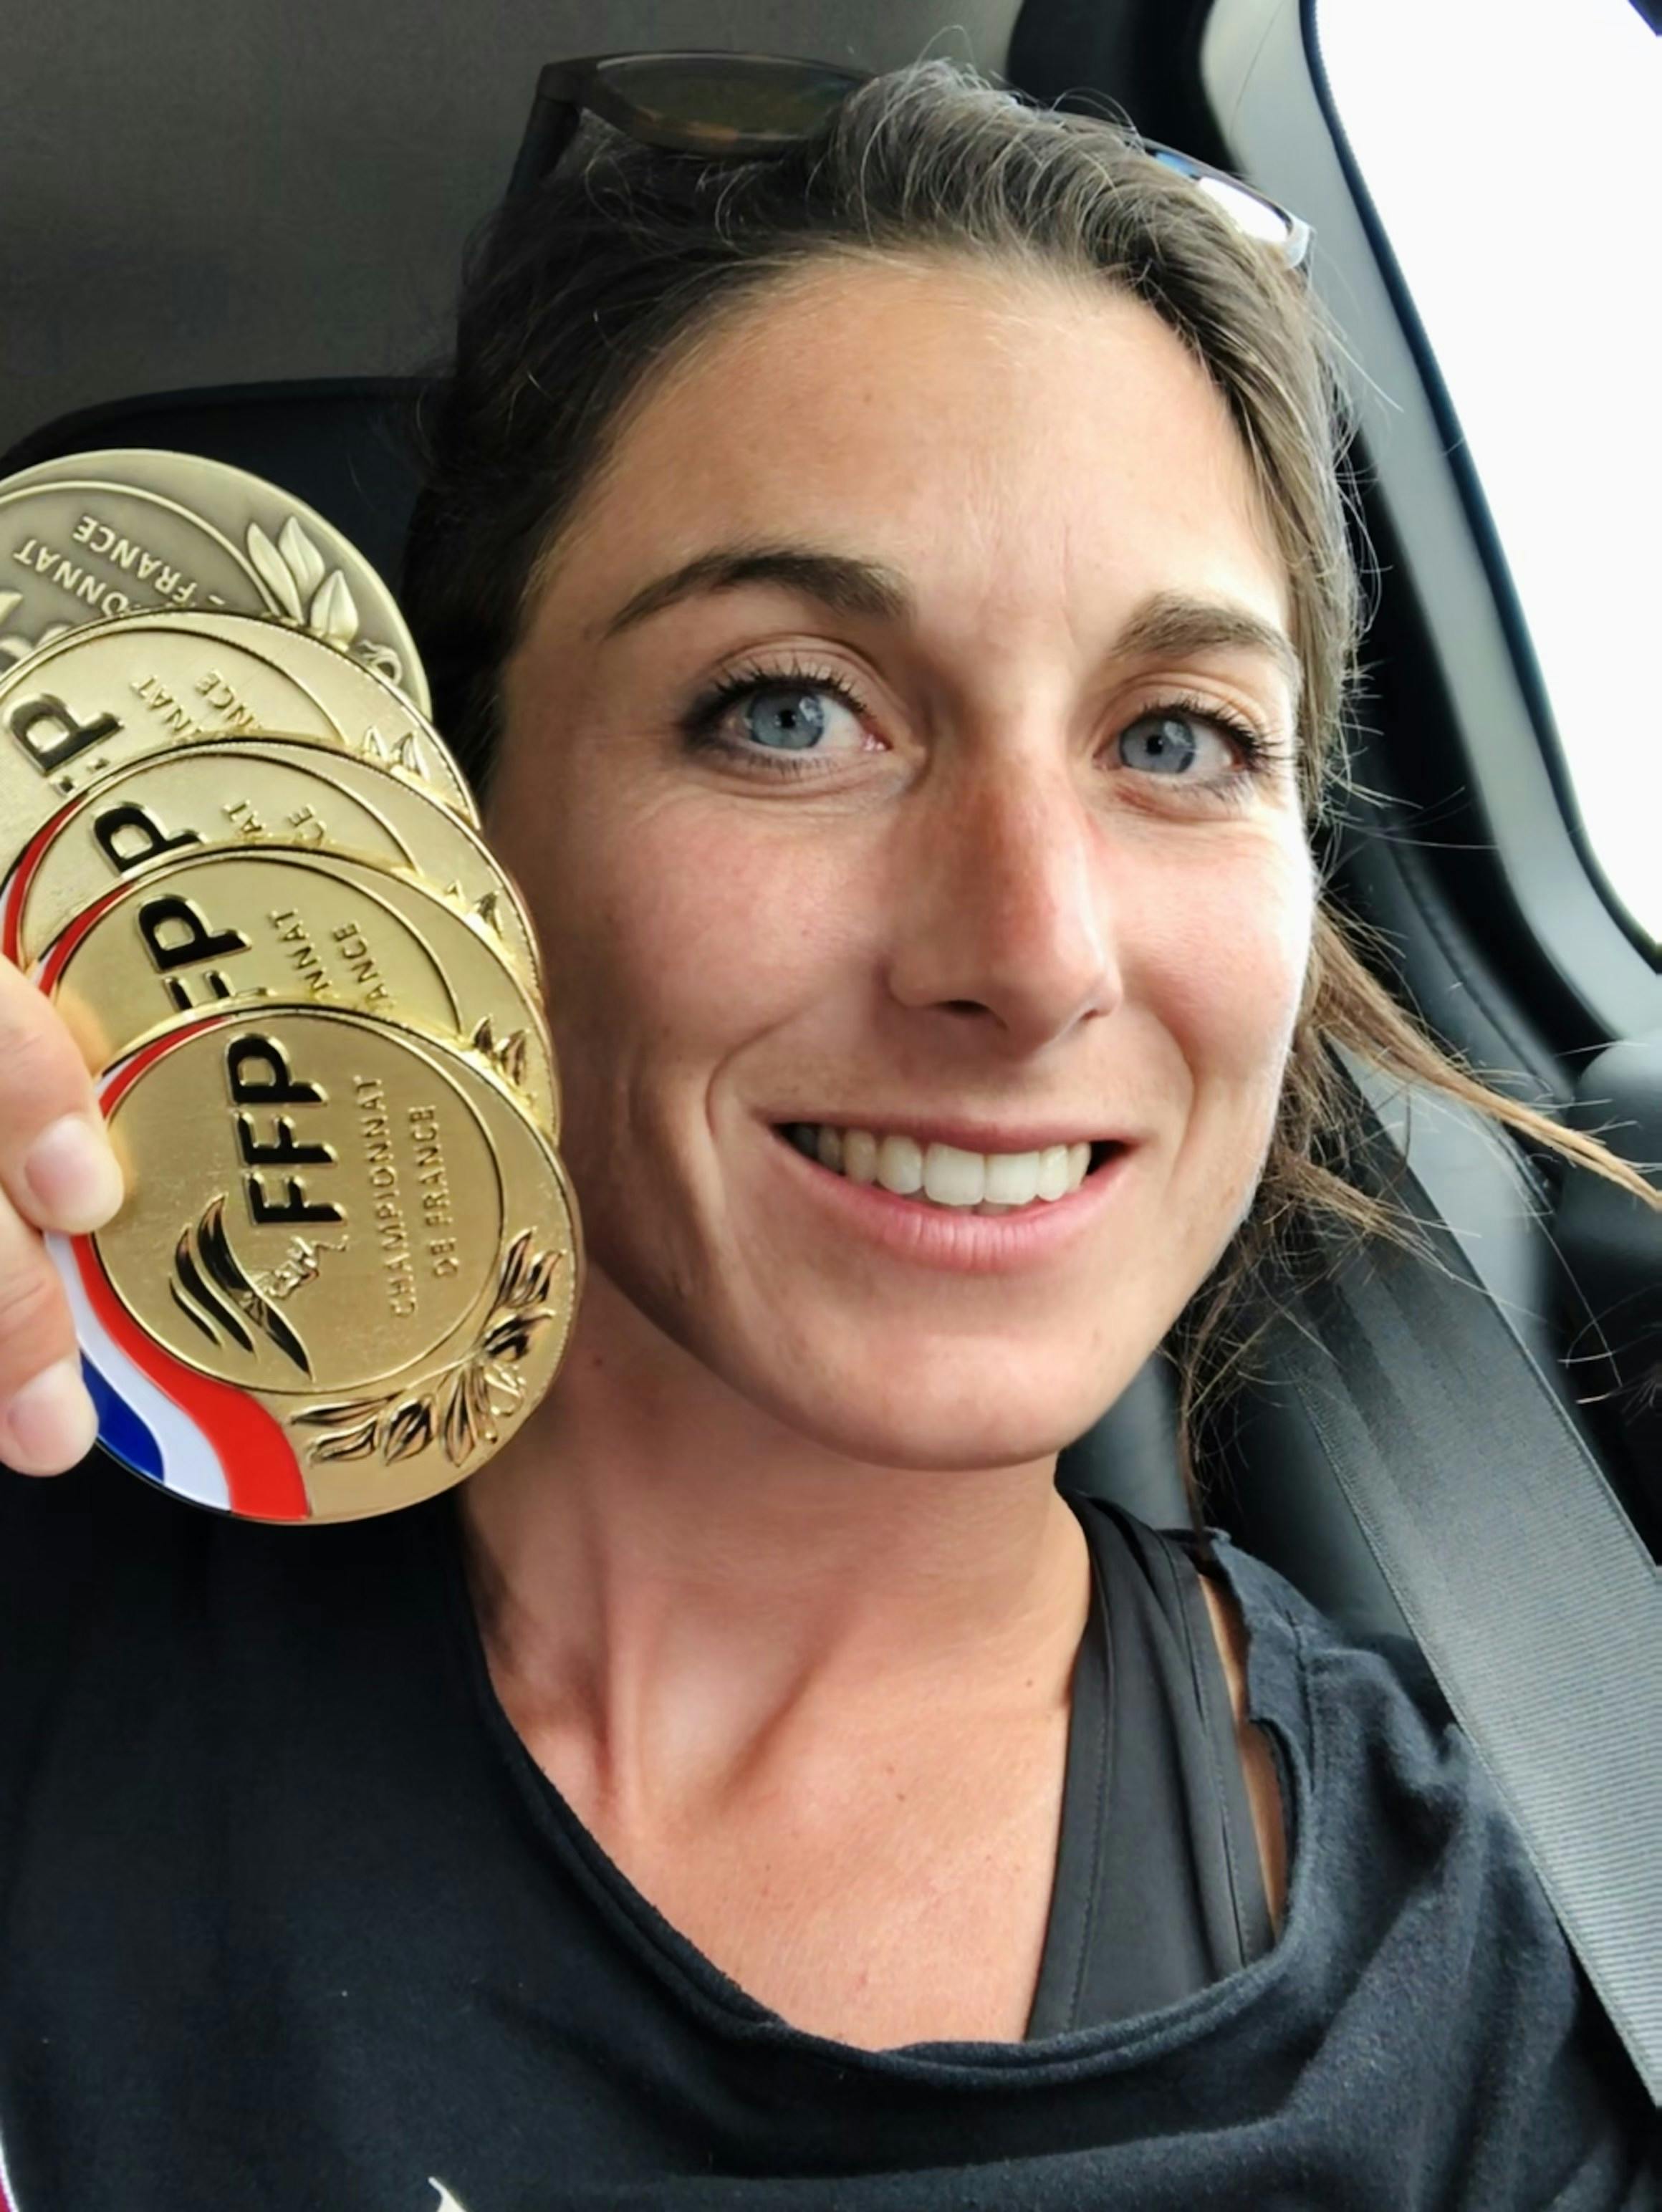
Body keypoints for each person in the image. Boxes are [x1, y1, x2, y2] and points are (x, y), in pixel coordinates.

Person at [0, 55, 1656, 2211]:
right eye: (790, 709)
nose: (1035, 953)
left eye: (1180, 738)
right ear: (448, 821)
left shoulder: (1519, 1995)